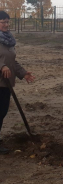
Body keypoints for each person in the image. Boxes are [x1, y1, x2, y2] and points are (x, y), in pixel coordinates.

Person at [0, 11, 35, 154]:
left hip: (6, 83)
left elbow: (12, 62)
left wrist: (23, 73)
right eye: (3, 22)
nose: (6, 25)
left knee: (2, 112)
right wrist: (1, 66)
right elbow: (4, 63)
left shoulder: (8, 40)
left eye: (8, 22)